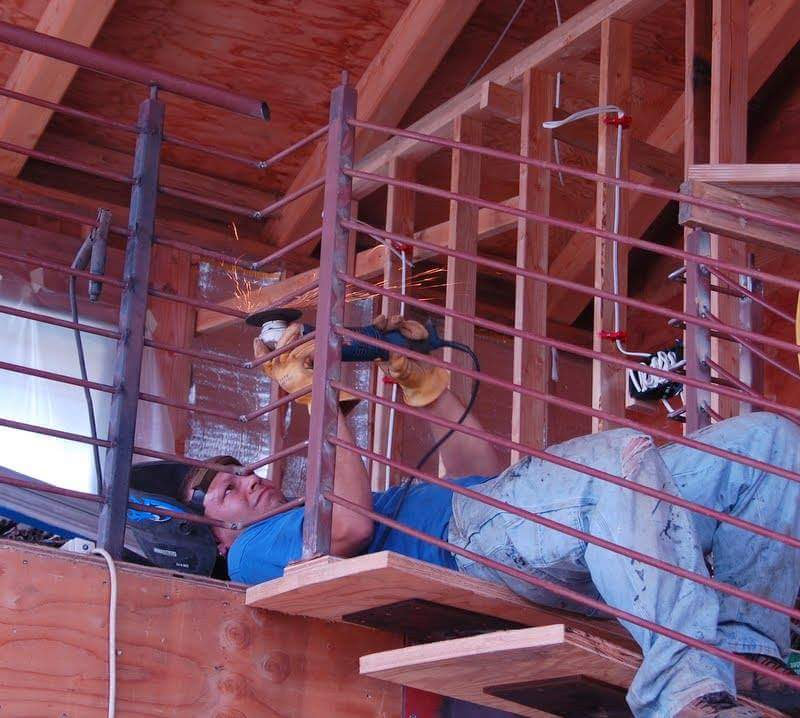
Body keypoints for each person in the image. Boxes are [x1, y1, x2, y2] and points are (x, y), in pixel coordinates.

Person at [181, 317, 800, 718]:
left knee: (767, 447)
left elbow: (477, 469)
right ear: (217, 531)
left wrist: (424, 387)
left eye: (246, 472)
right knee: (616, 459)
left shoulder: (309, 508)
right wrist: (321, 400)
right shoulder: (251, 552)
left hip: (500, 506)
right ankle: (688, 698)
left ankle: (749, 654)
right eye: (227, 491)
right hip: (474, 541)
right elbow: (350, 529)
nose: (250, 483)